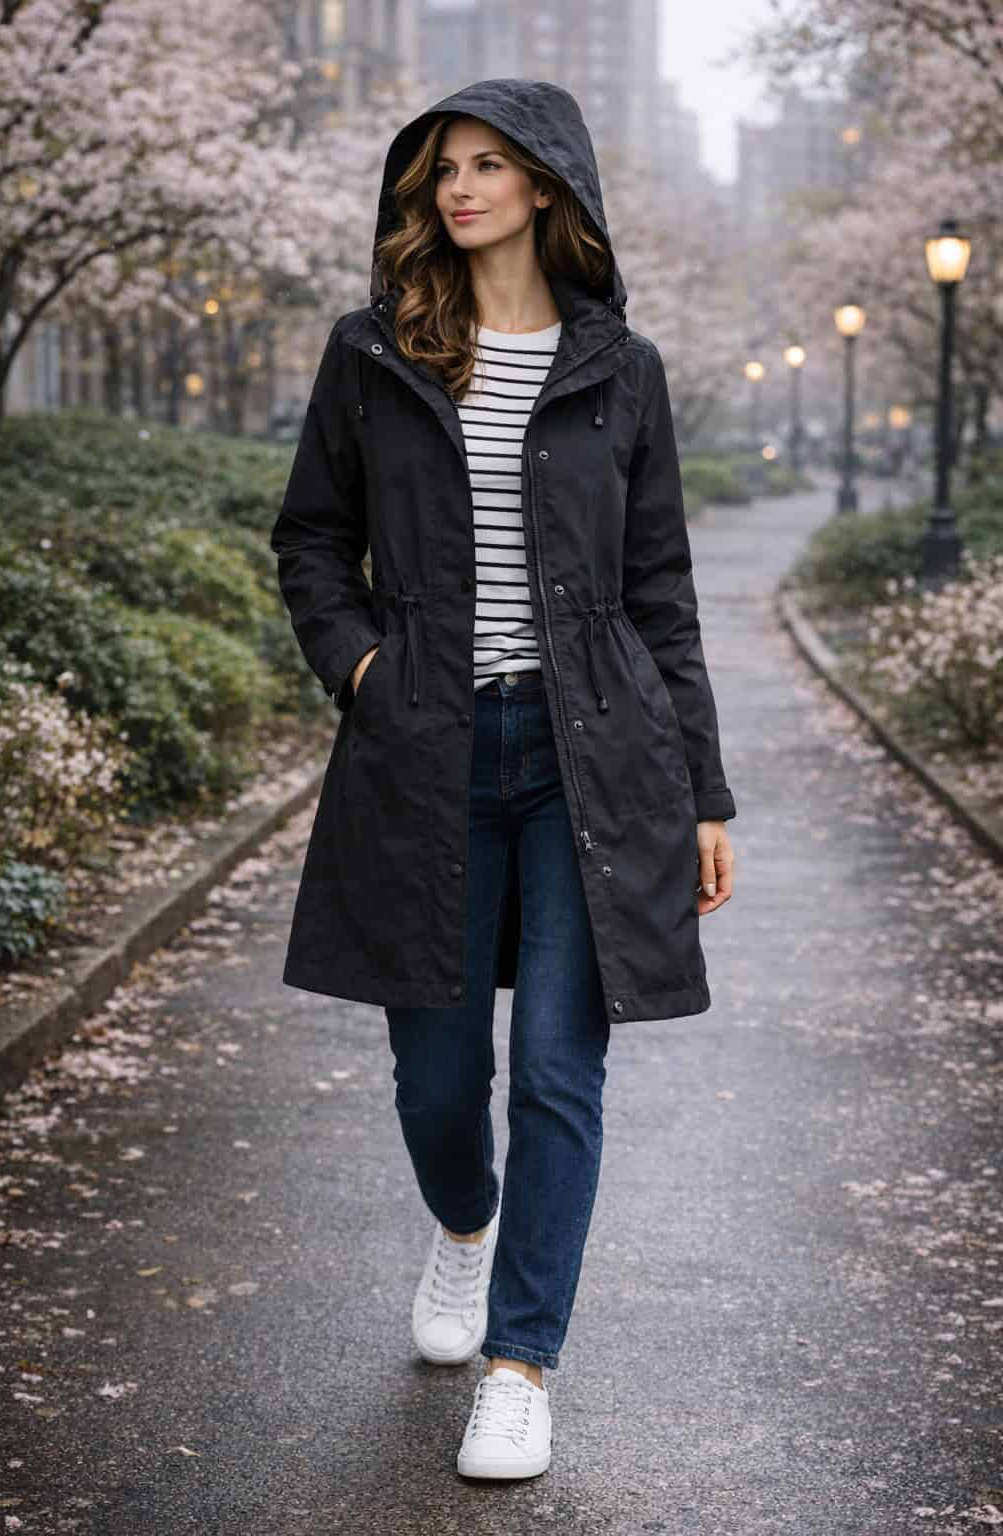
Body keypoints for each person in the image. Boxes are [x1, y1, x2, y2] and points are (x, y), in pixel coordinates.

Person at [270, 77, 736, 1482]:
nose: (456, 190)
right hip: (426, 756)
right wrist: (365, 670)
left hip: (593, 761)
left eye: (484, 167)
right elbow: (310, 541)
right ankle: (463, 1229)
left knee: (556, 1073)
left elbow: (662, 591)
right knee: (432, 1078)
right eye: (439, 173)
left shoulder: (621, 369)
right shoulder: (373, 354)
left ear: (546, 186)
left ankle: (522, 1365)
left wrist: (706, 792)